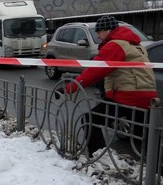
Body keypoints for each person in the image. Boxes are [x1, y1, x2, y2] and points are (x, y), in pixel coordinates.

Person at [57, 15, 158, 155]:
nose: (98, 36)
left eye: (99, 32)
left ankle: (99, 156)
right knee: (144, 132)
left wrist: (69, 88)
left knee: (90, 119)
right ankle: (154, 168)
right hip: (147, 94)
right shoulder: (136, 45)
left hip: (127, 95)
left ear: (108, 30)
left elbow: (95, 71)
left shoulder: (115, 44)